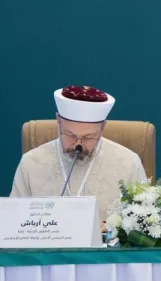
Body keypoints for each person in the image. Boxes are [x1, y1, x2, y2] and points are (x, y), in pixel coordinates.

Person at [10, 85, 147, 227]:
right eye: (70, 135)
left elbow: (144, 224)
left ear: (103, 128)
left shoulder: (128, 163)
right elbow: (14, 222)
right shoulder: (31, 163)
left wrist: (111, 229)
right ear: (58, 121)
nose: (78, 144)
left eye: (88, 137)